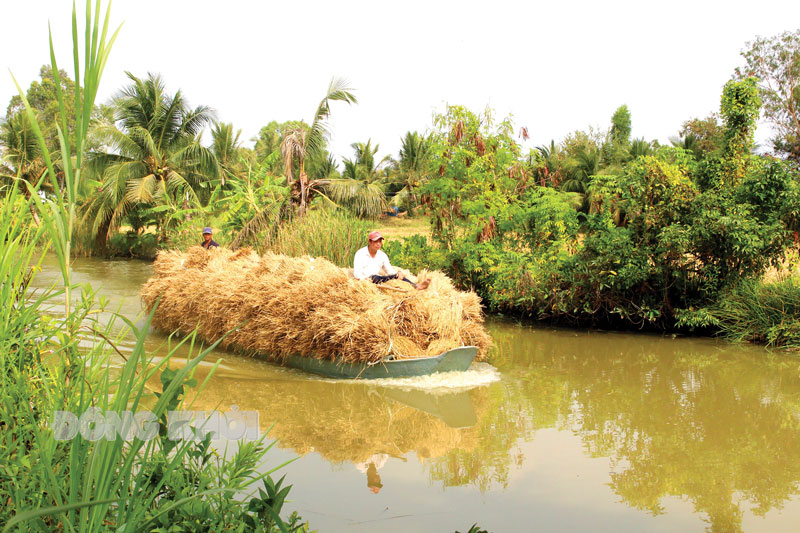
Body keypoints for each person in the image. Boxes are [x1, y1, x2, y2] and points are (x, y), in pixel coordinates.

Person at [353, 231, 429, 289]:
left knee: (396, 275)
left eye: (380, 241)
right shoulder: (360, 254)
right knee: (375, 277)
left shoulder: (382, 255)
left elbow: (389, 271)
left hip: (379, 279)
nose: (378, 244)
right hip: (367, 280)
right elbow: (357, 273)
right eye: (376, 241)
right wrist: (365, 279)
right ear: (369, 242)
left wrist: (397, 273)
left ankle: (415, 286)